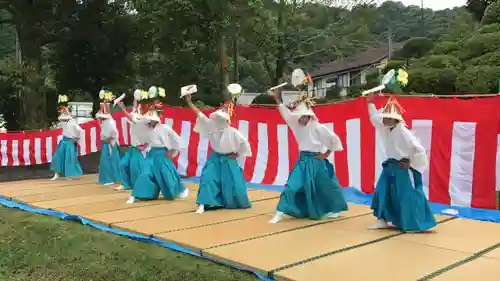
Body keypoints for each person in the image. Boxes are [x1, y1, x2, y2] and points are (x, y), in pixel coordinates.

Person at [269, 89, 348, 223]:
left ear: (309, 116)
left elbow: (334, 139)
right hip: (303, 160)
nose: (302, 118)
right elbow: (285, 113)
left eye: (305, 116)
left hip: (316, 160)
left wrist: (326, 154)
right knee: (292, 186)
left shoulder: (317, 127)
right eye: (300, 116)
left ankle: (336, 209)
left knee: (326, 185)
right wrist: (277, 99)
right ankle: (280, 212)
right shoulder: (295, 124)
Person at [366, 93, 436, 232]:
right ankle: (382, 219)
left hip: (401, 168)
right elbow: (375, 119)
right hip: (390, 166)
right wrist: (370, 103)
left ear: (395, 120)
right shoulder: (386, 128)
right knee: (382, 190)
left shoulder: (403, 132)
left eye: (387, 117)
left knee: (405, 196)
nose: (384, 119)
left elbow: (420, 150)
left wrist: (411, 163)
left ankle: (412, 222)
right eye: (384, 117)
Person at [185, 94, 252, 214]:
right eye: (217, 118)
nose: (218, 121)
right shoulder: (211, 126)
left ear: (227, 120)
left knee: (234, 183)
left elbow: (245, 145)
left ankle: (230, 202)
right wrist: (189, 102)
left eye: (221, 119)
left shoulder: (233, 132)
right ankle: (202, 203)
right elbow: (199, 114)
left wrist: (237, 155)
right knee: (207, 178)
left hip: (229, 159)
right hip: (215, 157)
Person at [126, 109, 189, 204]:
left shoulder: (165, 128)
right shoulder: (147, 129)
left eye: (152, 119)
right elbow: (148, 139)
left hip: (163, 153)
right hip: (152, 154)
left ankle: (181, 189)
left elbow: (177, 140)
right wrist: (144, 146)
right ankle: (135, 195)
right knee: (145, 173)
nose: (151, 121)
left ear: (157, 119)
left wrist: (172, 151)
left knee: (168, 175)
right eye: (149, 119)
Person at [115, 98, 149, 191]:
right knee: (122, 164)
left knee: (137, 169)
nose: (138, 106)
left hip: (140, 148)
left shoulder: (146, 118)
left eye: (140, 105)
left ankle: (141, 186)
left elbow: (132, 118)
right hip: (133, 147)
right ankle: (125, 184)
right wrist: (135, 98)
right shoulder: (137, 115)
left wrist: (123, 109)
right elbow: (132, 113)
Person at [50, 96, 84, 180]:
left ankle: (68, 174)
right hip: (64, 140)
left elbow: (80, 131)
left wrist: (76, 138)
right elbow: (60, 117)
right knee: (57, 157)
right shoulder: (62, 120)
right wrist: (63, 108)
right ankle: (56, 174)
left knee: (69, 159)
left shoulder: (72, 121)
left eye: (63, 110)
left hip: (70, 142)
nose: (62, 111)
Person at [96, 96, 121, 185]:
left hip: (110, 144)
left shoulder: (110, 122)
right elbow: (97, 117)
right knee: (104, 162)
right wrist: (104, 102)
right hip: (105, 143)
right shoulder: (105, 121)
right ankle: (106, 178)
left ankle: (111, 179)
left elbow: (115, 133)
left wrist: (110, 140)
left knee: (109, 162)